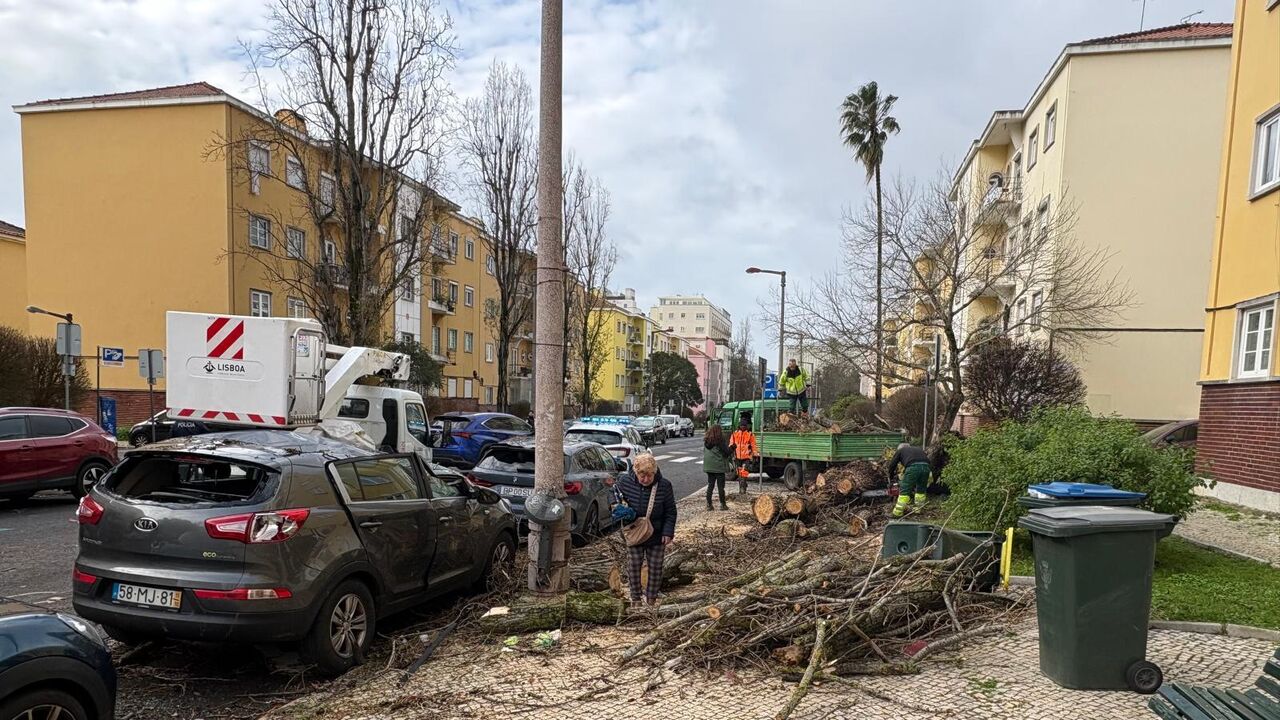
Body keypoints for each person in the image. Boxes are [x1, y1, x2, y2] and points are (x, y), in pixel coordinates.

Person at [611, 453, 677, 606]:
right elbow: (614, 497)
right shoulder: (625, 481)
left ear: (654, 472)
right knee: (634, 565)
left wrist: (668, 532)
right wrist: (619, 509)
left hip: (657, 532)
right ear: (635, 472)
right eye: (642, 476)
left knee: (655, 567)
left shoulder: (664, 486)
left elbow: (671, 511)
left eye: (649, 476)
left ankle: (651, 599)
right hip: (634, 531)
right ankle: (635, 599)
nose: (646, 480)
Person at [886, 442, 931, 517]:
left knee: (905, 490)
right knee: (921, 489)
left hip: (913, 468)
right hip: (926, 467)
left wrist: (890, 476)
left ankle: (897, 513)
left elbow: (892, 464)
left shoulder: (900, 450)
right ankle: (918, 509)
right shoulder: (917, 449)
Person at [702, 424, 732, 511]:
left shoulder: (706, 441)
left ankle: (709, 505)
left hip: (709, 467)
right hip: (718, 467)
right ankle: (723, 505)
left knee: (710, 485)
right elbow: (727, 452)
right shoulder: (720, 441)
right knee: (720, 487)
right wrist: (733, 447)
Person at [729, 417, 759, 495]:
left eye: (744, 425)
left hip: (746, 457)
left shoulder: (750, 434)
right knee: (739, 473)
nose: (743, 427)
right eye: (741, 425)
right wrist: (731, 451)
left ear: (746, 426)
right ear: (739, 425)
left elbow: (753, 445)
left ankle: (742, 489)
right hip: (737, 457)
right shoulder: (735, 434)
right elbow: (731, 443)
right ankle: (742, 485)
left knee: (744, 472)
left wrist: (755, 454)